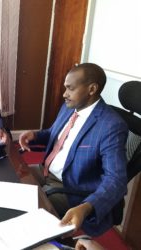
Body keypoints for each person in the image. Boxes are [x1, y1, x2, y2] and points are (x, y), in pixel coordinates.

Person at [19, 63, 128, 236]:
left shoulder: (111, 125)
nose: (64, 94)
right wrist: (35, 135)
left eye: (70, 88)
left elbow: (117, 180)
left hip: (71, 188)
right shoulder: (70, 107)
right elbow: (54, 134)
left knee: (26, 213)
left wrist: (86, 207)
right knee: (14, 180)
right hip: (45, 170)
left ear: (91, 89)